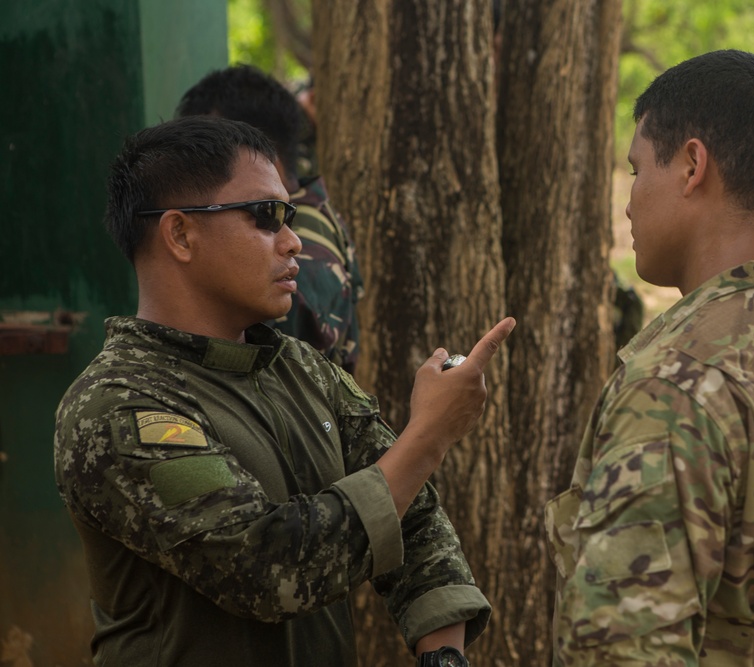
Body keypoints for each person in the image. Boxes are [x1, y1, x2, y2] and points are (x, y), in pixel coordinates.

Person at [53, 115, 515, 666]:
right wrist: (430, 435)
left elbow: (409, 511)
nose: (294, 241)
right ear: (180, 234)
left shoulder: (298, 367)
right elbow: (267, 569)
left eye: (288, 216)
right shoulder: (119, 404)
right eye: (266, 217)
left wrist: (443, 654)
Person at [545, 50, 754, 665]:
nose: (629, 202)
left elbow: (621, 648)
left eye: (637, 170)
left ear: (693, 165)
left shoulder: (675, 385)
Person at [177, 64, 365, 375]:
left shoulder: (299, 261)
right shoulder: (303, 214)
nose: (191, 165)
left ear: (264, 158)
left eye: (210, 151)